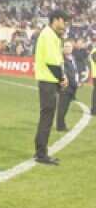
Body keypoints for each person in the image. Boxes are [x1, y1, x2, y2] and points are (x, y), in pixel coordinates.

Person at [33, 10, 66, 165]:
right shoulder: (48, 35)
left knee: (46, 116)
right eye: (63, 20)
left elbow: (56, 60)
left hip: (49, 80)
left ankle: (40, 151)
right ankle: (41, 153)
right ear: (56, 20)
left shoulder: (52, 35)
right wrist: (62, 79)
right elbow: (52, 62)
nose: (65, 23)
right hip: (48, 80)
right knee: (47, 117)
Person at [55, 42, 79, 133]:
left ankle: (62, 124)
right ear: (63, 48)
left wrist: (77, 81)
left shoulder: (73, 58)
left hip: (72, 86)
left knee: (66, 107)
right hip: (65, 86)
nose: (67, 48)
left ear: (72, 48)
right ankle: (60, 126)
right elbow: (64, 72)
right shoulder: (62, 59)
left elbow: (75, 71)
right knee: (62, 107)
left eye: (69, 46)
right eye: (66, 46)